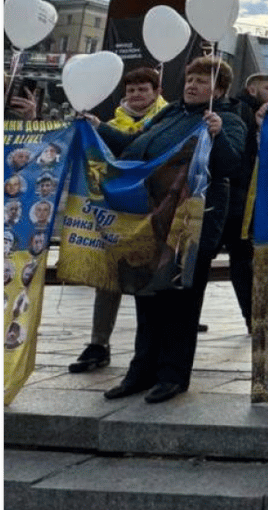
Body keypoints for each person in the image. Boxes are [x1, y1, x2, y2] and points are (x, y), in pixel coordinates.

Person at [95, 56, 247, 404]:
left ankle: (173, 375)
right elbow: (134, 149)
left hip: (193, 224)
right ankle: (140, 371)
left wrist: (218, 134)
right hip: (153, 219)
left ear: (219, 90)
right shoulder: (170, 114)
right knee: (147, 296)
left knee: (181, 301)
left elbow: (229, 164)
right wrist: (97, 128)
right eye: (190, 79)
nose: (192, 85)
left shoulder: (229, 120)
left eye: (202, 81)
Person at [67, 67, 172, 374]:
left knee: (152, 282)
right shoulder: (110, 124)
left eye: (143, 89)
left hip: (154, 210)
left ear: (156, 92)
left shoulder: (166, 120)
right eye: (131, 91)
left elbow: (134, 146)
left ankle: (151, 349)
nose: (136, 95)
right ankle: (98, 344)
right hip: (117, 211)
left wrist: (98, 128)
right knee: (108, 277)